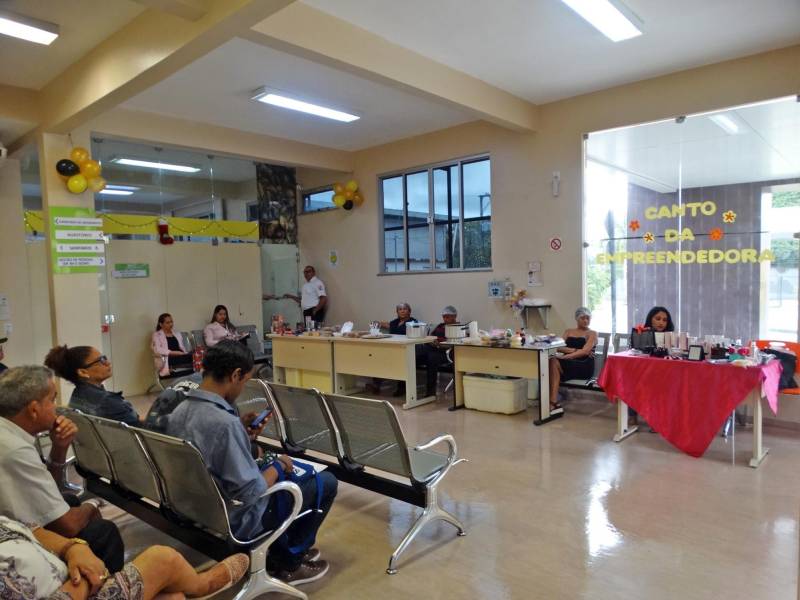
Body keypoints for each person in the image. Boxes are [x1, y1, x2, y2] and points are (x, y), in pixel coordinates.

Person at [167, 340, 338, 586]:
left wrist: (242, 434)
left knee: (283, 476)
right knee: (326, 482)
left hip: (195, 507)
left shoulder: (180, 410)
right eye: (245, 380)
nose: (243, 386)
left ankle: (286, 546)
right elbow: (252, 492)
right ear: (235, 375)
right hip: (234, 517)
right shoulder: (223, 423)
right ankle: (289, 562)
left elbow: (211, 452)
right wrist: (278, 466)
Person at [0, 366, 124, 571]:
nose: (57, 407)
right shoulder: (15, 450)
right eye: (52, 399)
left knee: (71, 500)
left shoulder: (10, 433)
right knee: (103, 532)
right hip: (11, 544)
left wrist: (59, 447)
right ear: (33, 409)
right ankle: (109, 589)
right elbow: (67, 525)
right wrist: (92, 505)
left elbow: (52, 489)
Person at [0, 514, 248, 600]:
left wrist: (73, 548)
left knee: (172, 596)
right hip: (74, 590)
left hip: (66, 573)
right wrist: (87, 578)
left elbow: (29, 528)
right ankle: (202, 585)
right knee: (162, 559)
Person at [44, 346, 140, 427]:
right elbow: (141, 430)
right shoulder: (109, 402)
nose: (107, 363)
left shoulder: (76, 397)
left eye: (105, 358)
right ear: (83, 372)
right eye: (101, 360)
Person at [548, 307, 598, 414]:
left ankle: (552, 402)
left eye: (588, 318)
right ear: (577, 319)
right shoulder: (568, 331)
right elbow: (558, 347)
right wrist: (574, 350)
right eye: (583, 318)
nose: (586, 321)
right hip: (568, 363)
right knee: (551, 361)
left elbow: (585, 352)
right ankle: (553, 401)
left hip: (584, 365)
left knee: (553, 362)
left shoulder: (592, 333)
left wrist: (566, 356)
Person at [368, 303, 419, 396]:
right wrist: (377, 323)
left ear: (409, 311)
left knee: (402, 360)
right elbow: (387, 325)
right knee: (378, 357)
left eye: (405, 309)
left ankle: (402, 388)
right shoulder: (395, 322)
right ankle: (376, 385)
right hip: (393, 348)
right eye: (400, 309)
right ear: (397, 312)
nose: (402, 311)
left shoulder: (413, 322)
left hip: (406, 349)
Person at [425, 306, 459, 397]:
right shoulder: (440, 326)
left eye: (448, 317)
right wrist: (432, 342)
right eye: (444, 317)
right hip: (433, 348)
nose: (445, 319)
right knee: (417, 353)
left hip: (447, 352)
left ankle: (430, 392)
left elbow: (455, 344)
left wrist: (439, 344)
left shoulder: (458, 328)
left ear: (454, 316)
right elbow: (431, 337)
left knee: (431, 358)